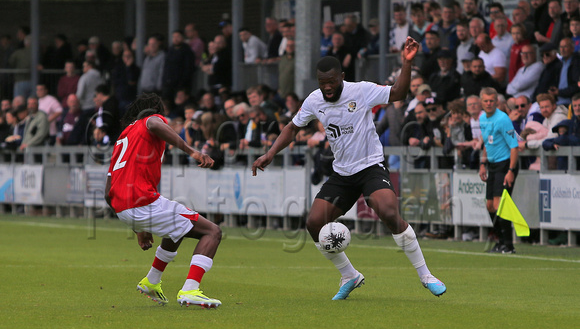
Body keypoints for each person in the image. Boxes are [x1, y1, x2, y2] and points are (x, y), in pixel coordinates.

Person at [252, 38, 446, 300]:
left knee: (388, 211)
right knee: (314, 223)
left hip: (370, 167)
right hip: (342, 173)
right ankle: (349, 275)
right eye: (322, 83)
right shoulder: (314, 100)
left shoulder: (361, 91)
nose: (328, 87)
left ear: (342, 76)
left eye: (332, 81)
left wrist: (407, 62)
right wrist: (270, 153)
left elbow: (398, 93)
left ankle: (426, 275)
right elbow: (292, 127)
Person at [104, 92, 222, 308]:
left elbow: (107, 191)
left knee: (176, 228)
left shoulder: (123, 137)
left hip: (122, 208)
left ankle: (152, 280)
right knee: (212, 231)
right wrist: (192, 152)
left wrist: (138, 227)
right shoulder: (149, 121)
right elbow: (154, 123)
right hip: (142, 202)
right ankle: (190, 290)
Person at [478, 87, 519, 254]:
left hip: (505, 164)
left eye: (491, 101)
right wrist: (482, 163)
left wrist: (511, 170)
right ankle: (500, 242)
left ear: (497, 102)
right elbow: (487, 144)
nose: (488, 103)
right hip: (492, 165)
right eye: (486, 101)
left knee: (499, 204)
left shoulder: (503, 119)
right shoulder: (482, 119)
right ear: (482, 102)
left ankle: (508, 245)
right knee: (489, 206)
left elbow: (514, 147)